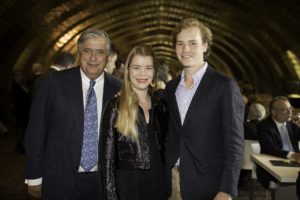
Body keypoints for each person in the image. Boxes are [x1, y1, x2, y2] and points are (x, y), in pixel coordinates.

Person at [25, 29, 121, 200]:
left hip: (103, 181)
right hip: (59, 177)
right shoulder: (54, 83)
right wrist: (33, 177)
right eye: (87, 51)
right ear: (79, 52)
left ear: (107, 56)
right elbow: (36, 131)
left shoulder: (119, 89)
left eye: (100, 52)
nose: (93, 58)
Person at [164, 18, 244, 200]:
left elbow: (234, 143)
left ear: (205, 46)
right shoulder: (170, 88)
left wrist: (227, 189)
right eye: (180, 44)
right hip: (171, 182)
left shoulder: (224, 86)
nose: (185, 50)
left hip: (208, 184)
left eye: (192, 43)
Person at [101, 45, 168, 200]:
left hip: (157, 185)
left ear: (154, 72)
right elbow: (107, 159)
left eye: (148, 68)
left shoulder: (161, 107)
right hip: (128, 188)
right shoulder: (115, 106)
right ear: (128, 71)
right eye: (136, 67)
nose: (142, 74)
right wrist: (110, 195)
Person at [257, 96, 300, 188]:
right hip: (273, 164)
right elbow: (269, 148)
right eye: (285, 109)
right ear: (274, 112)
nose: (290, 112)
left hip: (296, 163)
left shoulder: (294, 124)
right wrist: (292, 155)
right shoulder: (264, 126)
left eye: (290, 108)